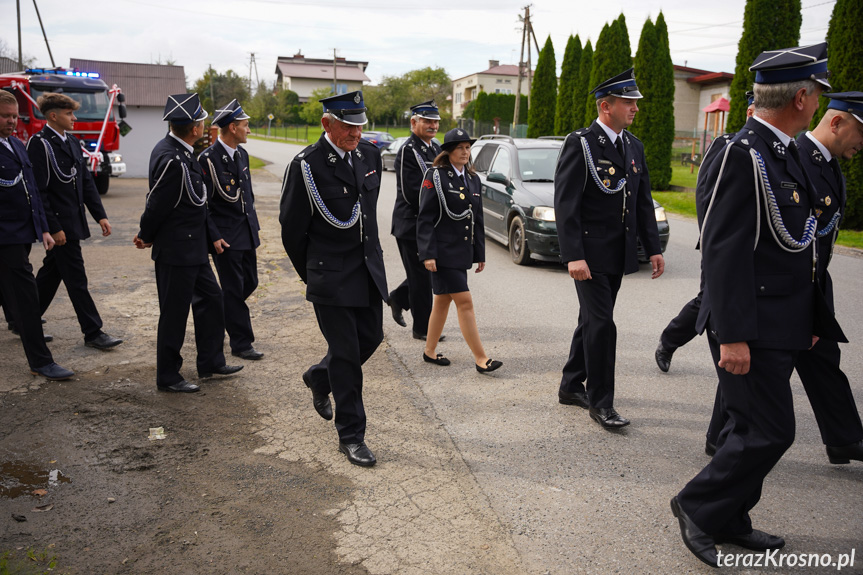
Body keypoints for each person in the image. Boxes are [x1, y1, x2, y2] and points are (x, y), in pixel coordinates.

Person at [670, 43, 833, 568]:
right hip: (750, 323)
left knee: (750, 429)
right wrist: (733, 333)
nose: (822, 103)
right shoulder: (740, 153)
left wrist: (810, 321)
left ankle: (732, 517)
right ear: (803, 97)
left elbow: (803, 246)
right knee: (770, 431)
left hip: (783, 321)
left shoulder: (786, 152)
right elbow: (721, 251)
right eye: (820, 93)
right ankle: (696, 506)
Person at [702, 92, 863, 465]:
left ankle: (843, 437)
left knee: (818, 363)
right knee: (757, 390)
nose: (860, 145)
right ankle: (720, 450)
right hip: (772, 294)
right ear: (836, 122)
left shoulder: (823, 162)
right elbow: (727, 245)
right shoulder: (771, 155)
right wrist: (730, 327)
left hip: (805, 288)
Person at [279, 91, 388, 467]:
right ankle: (352, 435)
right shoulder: (307, 166)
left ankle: (318, 377)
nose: (356, 133)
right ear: (327, 124)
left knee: (371, 339)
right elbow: (292, 231)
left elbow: (368, 218)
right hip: (330, 276)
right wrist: (313, 276)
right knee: (346, 357)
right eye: (348, 126)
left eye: (360, 125)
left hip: (367, 271)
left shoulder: (370, 155)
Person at [553, 68, 664, 430]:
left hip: (617, 254)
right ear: (606, 106)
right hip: (588, 254)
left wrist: (653, 247)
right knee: (603, 325)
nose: (634, 108)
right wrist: (573, 255)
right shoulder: (581, 144)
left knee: (591, 321)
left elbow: (642, 201)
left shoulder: (633, 146)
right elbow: (566, 203)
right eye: (628, 102)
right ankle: (602, 403)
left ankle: (571, 385)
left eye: (634, 102)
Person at [133, 93, 242, 393]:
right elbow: (157, 204)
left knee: (212, 300)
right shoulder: (172, 158)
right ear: (194, 129)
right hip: (176, 251)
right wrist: (146, 234)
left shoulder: (183, 152)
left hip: (193, 249)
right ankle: (168, 376)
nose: (205, 126)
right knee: (175, 314)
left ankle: (210, 362)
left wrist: (212, 238)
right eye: (202, 122)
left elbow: (197, 205)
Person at [655, 91, 755, 373]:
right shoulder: (727, 145)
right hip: (724, 243)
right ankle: (669, 340)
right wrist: (710, 234)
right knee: (707, 301)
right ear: (749, 112)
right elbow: (705, 192)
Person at [26, 93, 123, 350]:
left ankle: (24, 317)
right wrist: (53, 228)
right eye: (69, 113)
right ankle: (93, 331)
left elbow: (86, 182)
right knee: (76, 279)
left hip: (73, 221)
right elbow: (39, 191)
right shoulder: (40, 144)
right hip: (60, 225)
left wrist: (99, 214)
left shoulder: (71, 141)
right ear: (53, 116)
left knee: (51, 273)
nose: (74, 118)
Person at [0, 89, 73, 380]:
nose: (11, 121)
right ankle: (41, 361)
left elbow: (32, 191)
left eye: (13, 116)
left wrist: (43, 228)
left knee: (18, 297)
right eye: (4, 116)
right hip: (5, 239)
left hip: (19, 236)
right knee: (28, 299)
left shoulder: (17, 146)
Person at [416, 128, 500, 373]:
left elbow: (477, 219)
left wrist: (480, 254)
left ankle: (429, 351)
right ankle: (481, 358)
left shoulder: (473, 179)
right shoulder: (436, 176)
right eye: (460, 148)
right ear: (449, 151)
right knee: (465, 301)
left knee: (442, 302)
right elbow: (425, 218)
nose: (465, 152)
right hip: (442, 253)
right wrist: (427, 253)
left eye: (467, 147)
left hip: (461, 251)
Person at [199, 99, 263, 361]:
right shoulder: (208, 159)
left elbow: (246, 196)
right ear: (233, 127)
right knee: (234, 290)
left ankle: (222, 312)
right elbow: (202, 204)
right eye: (246, 126)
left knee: (250, 282)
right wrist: (213, 235)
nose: (249, 130)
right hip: (225, 237)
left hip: (246, 232)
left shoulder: (242, 154)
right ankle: (241, 342)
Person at [388, 100, 443, 341]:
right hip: (410, 224)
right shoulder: (408, 150)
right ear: (414, 122)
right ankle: (422, 328)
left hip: (429, 223)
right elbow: (411, 192)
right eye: (427, 121)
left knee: (425, 274)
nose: (432, 125)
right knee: (421, 277)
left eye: (435, 121)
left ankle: (399, 298)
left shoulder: (436, 148)